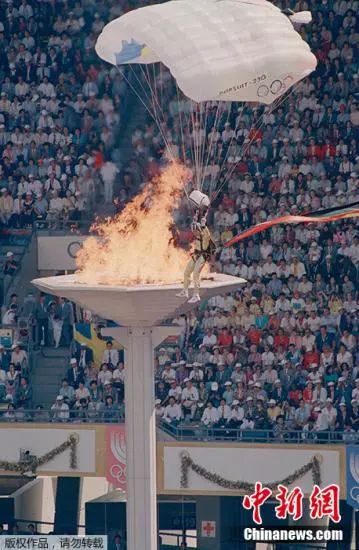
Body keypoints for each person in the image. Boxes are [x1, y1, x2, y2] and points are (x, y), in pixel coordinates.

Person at [177, 207, 216, 303]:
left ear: (199, 230)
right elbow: (193, 227)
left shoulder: (205, 236)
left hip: (202, 257)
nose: (193, 232)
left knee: (195, 274)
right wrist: (195, 219)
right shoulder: (197, 234)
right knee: (186, 272)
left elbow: (206, 232)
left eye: (195, 230)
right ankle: (185, 290)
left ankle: (196, 295)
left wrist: (203, 225)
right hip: (196, 255)